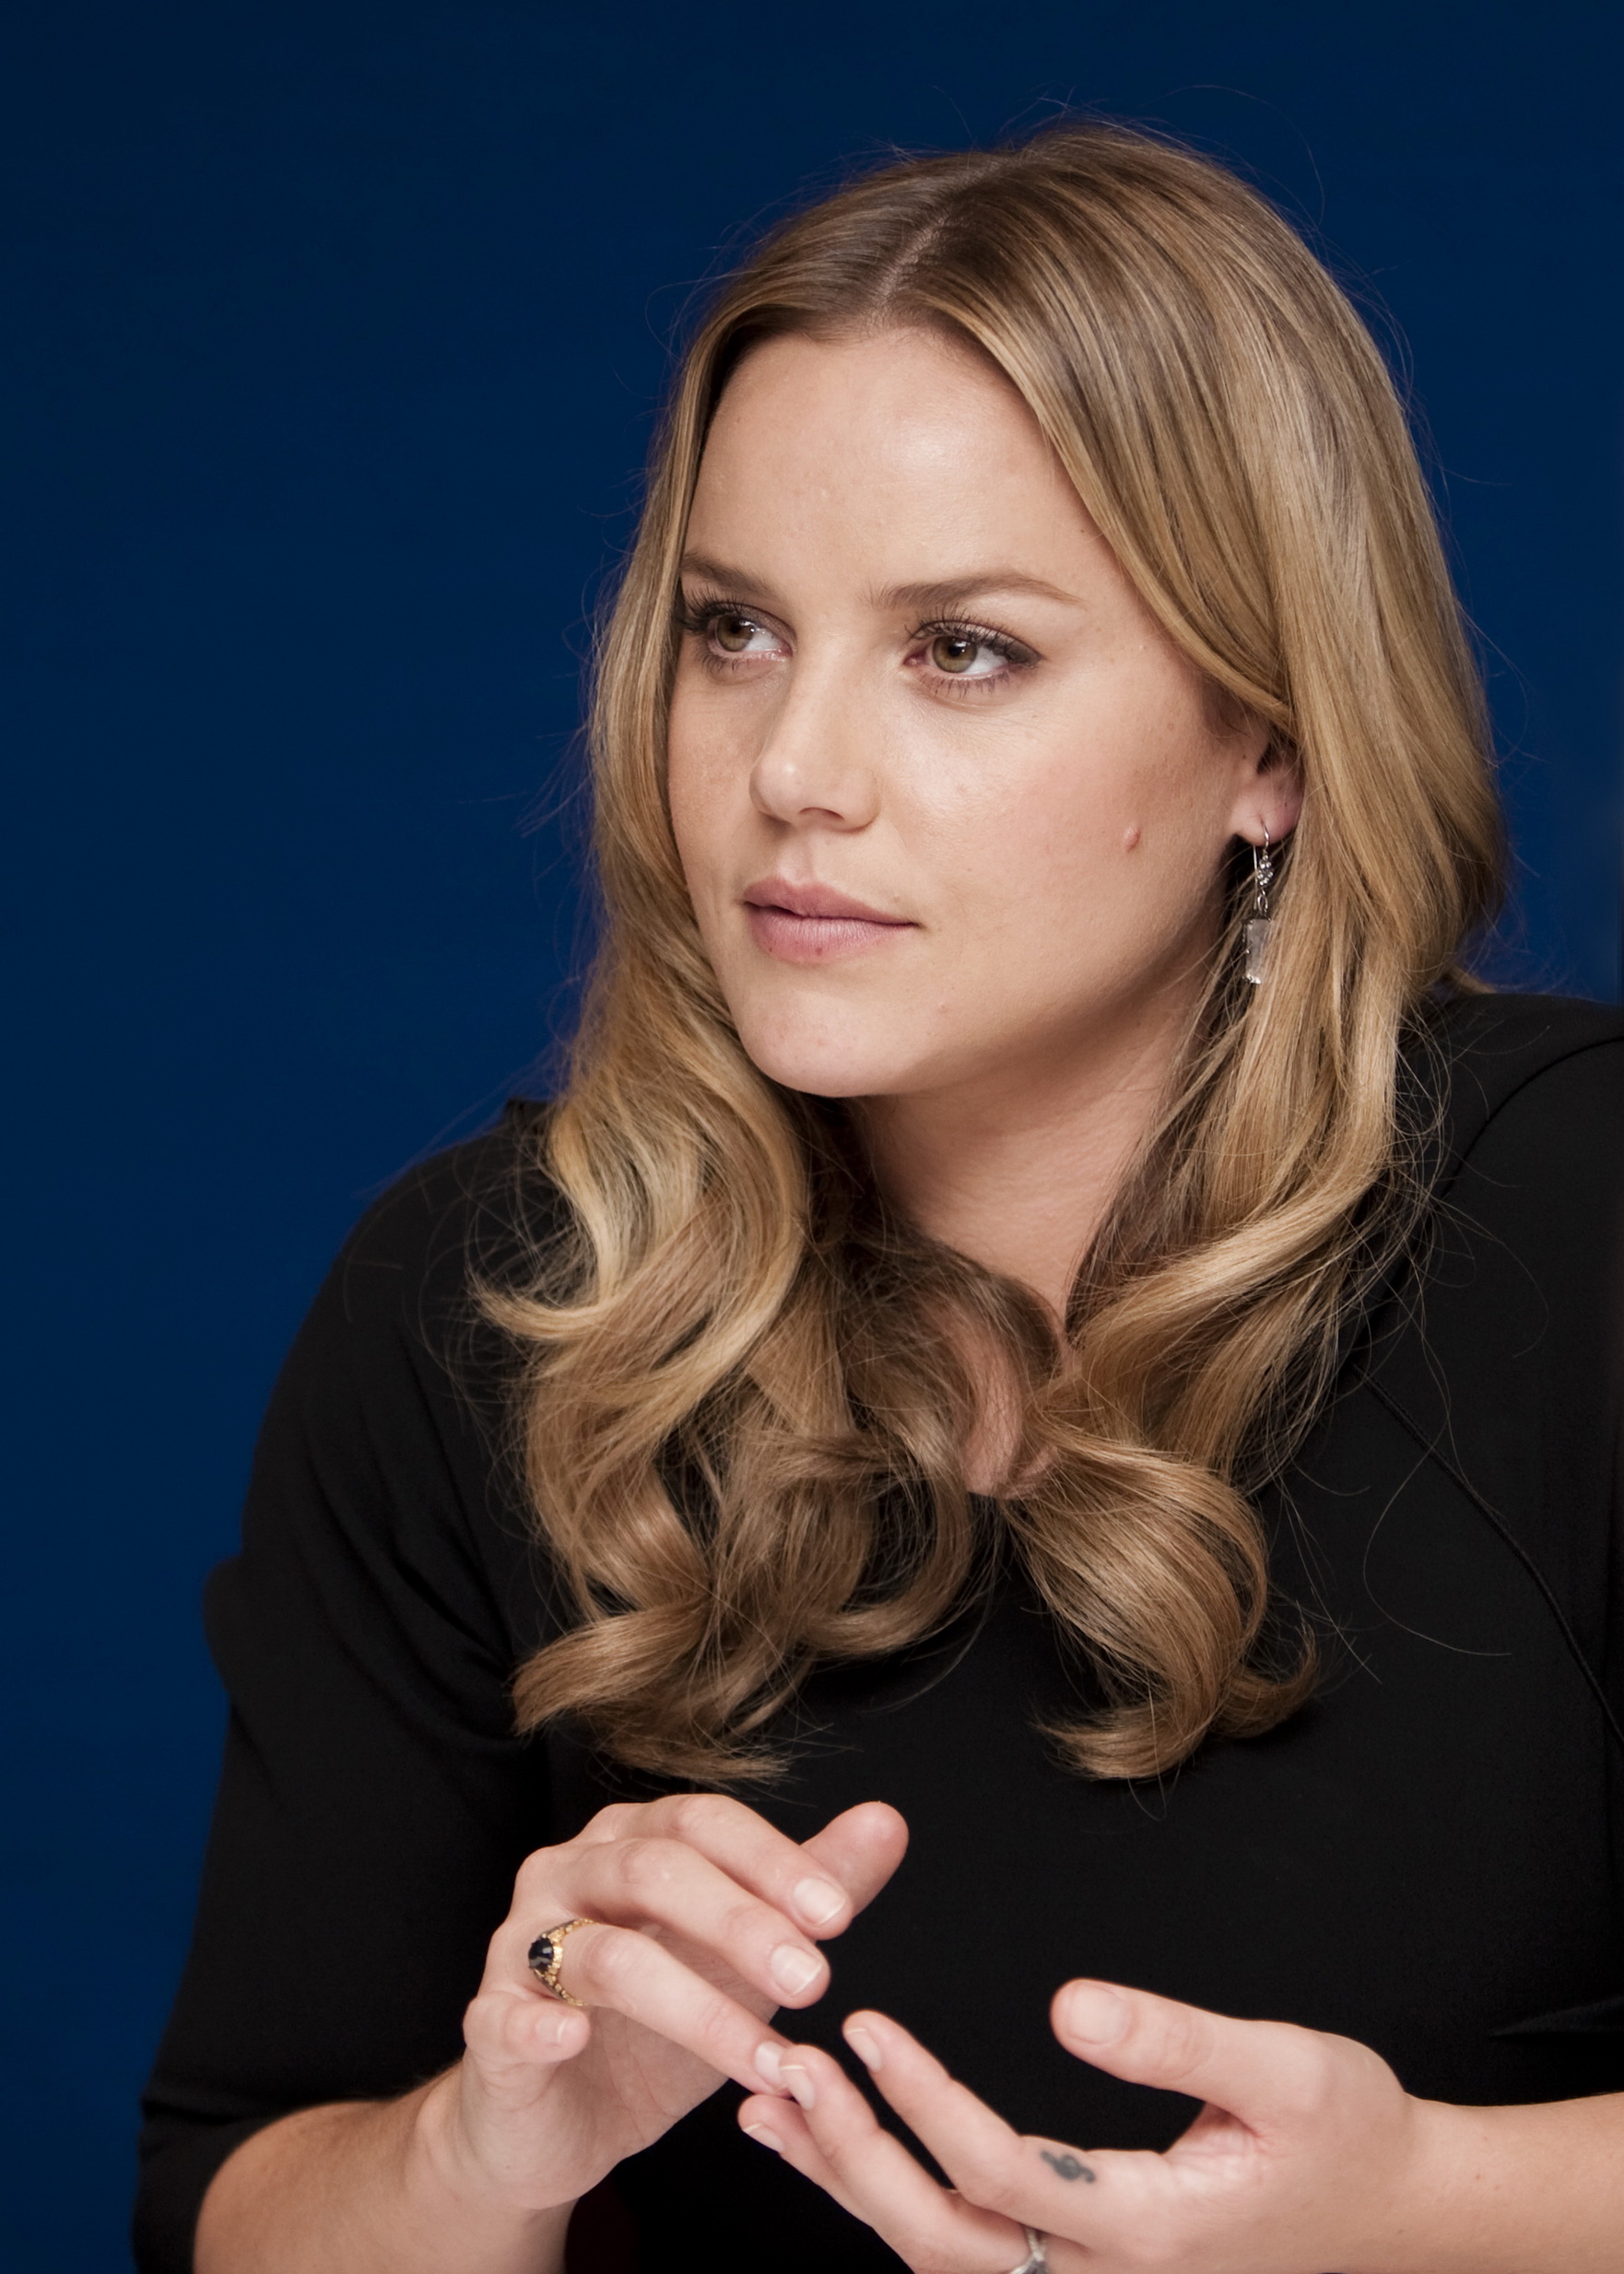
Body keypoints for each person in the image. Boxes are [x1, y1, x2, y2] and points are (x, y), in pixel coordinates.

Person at [135, 124, 1624, 2274]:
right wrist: (489, 2141)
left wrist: (1426, 2207)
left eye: (963, 650)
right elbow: (237, 2204)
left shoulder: (1576, 1224)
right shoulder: (486, 1308)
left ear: (1268, 744)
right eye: (732, 630)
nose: (789, 770)